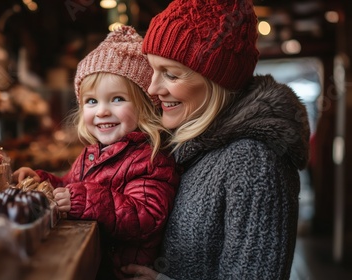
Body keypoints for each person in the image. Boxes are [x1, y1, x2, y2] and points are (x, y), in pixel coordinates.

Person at [121, 0, 310, 279]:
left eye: (171, 74)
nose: (153, 88)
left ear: (215, 80)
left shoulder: (253, 162)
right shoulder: (191, 143)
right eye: (153, 70)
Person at [12, 26, 179, 279]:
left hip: (121, 272)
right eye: (92, 101)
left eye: (117, 99)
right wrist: (44, 181)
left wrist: (82, 199)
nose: (101, 111)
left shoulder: (151, 158)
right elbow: (70, 185)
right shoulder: (91, 153)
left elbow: (146, 217)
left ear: (145, 105)